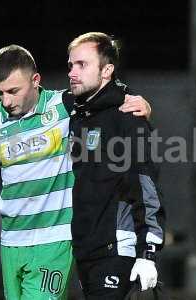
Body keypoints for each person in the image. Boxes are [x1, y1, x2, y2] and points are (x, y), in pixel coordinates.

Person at [0, 44, 152, 299]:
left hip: (54, 238)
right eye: (0, 93)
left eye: (13, 91)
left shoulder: (63, 106)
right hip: (11, 240)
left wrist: (134, 99)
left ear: (35, 81)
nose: (6, 101)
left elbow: (102, 94)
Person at [67, 32, 165, 299]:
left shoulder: (127, 117)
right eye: (71, 65)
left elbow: (146, 187)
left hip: (117, 250)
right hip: (84, 250)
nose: (72, 73)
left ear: (107, 70)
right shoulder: (77, 110)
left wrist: (149, 252)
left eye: (82, 65)